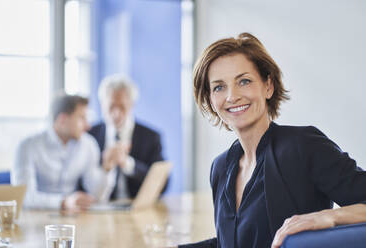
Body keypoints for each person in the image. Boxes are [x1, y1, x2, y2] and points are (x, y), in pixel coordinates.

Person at [179, 33, 366, 247]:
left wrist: (328, 217)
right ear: (211, 100)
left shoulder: (304, 146)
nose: (232, 96)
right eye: (219, 87)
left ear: (268, 86)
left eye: (244, 81)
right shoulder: (221, 166)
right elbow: (230, 242)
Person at [12, 94, 116, 211]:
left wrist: (107, 168)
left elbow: (97, 194)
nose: (88, 126)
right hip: (36, 216)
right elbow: (24, 197)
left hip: (74, 216)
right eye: (82, 118)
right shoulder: (27, 146)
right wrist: (63, 202)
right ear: (62, 120)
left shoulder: (88, 144)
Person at [88, 74, 165, 200]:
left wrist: (127, 163)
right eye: (111, 106)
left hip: (137, 209)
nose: (116, 113)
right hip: (99, 208)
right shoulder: (90, 135)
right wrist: (105, 168)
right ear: (102, 104)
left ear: (132, 105)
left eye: (122, 107)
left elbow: (162, 184)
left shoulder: (151, 137)